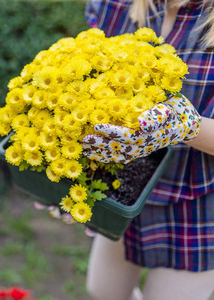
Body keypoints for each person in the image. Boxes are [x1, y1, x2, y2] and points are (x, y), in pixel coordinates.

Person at [80, 0, 214, 299]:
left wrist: (184, 125)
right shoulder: (117, 4)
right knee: (102, 290)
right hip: (127, 184)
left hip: (198, 197)